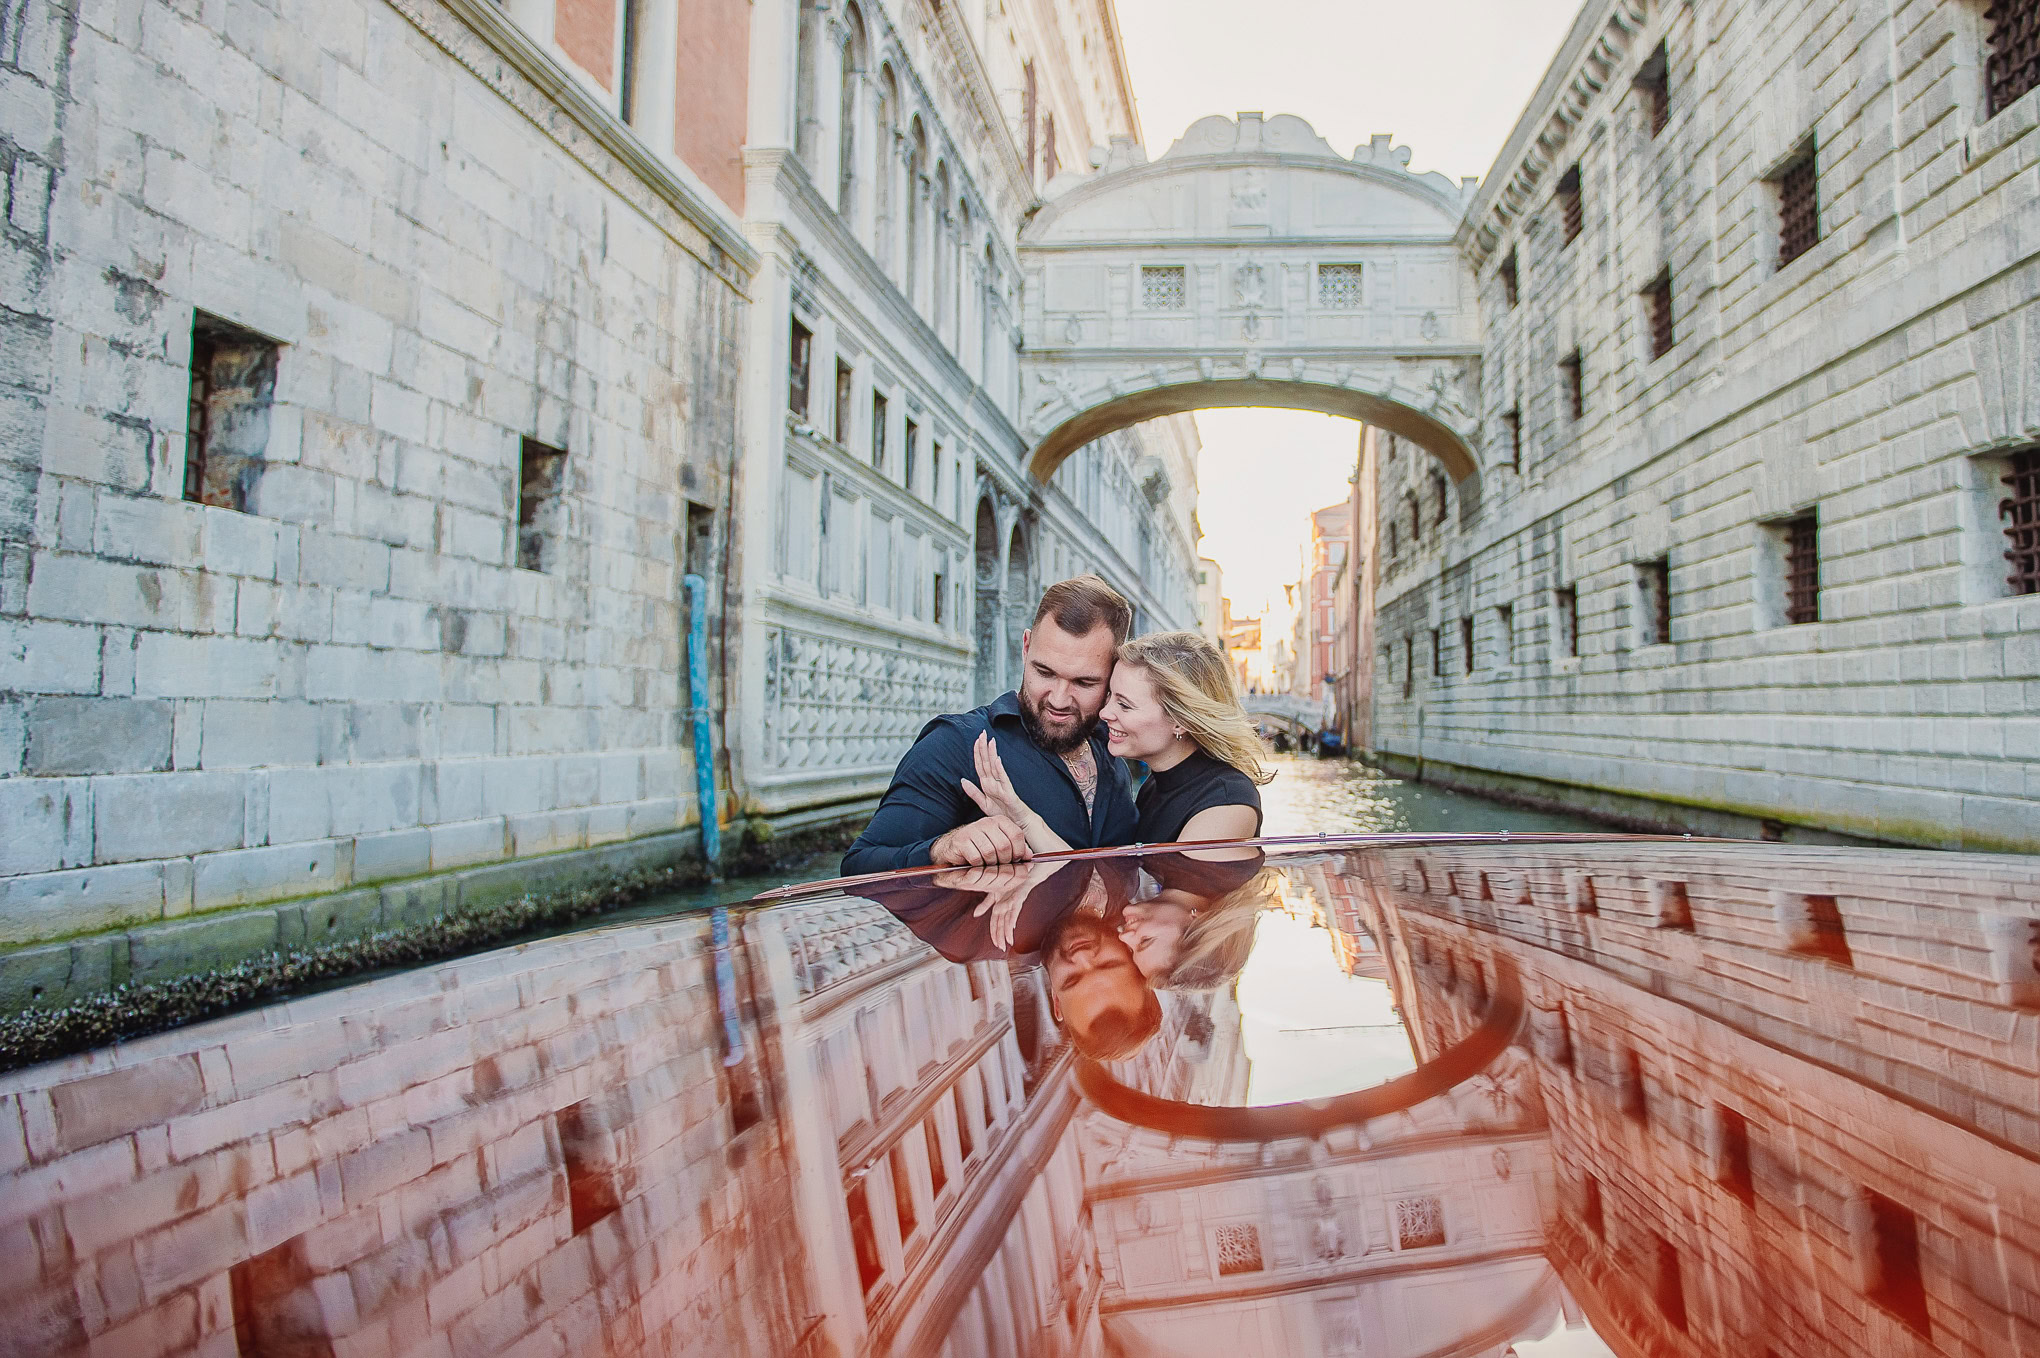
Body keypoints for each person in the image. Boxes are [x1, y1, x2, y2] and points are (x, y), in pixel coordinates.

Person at [841, 575, 1140, 876]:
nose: (1059, 700)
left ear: (1114, 672)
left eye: (1084, 682)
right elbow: (859, 867)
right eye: (1044, 672)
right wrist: (942, 849)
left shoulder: (1114, 749)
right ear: (1026, 647)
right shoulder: (956, 744)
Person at [961, 629, 1274, 852]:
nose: (1105, 712)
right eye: (1110, 696)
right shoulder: (1155, 786)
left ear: (1180, 720)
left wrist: (1028, 822)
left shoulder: (1226, 803)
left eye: (1124, 705)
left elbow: (1165, 910)